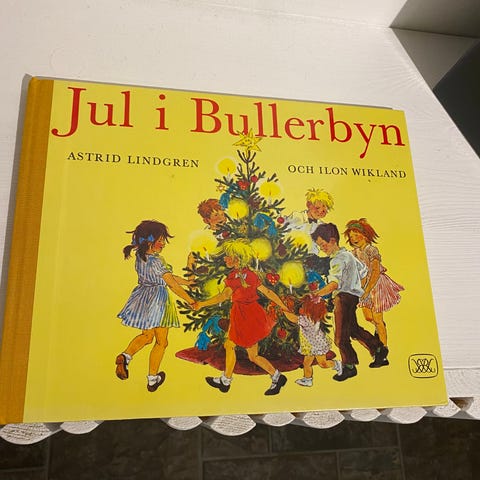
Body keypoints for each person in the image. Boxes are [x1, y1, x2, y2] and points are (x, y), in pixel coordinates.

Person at [193, 238, 290, 395]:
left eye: (228, 256)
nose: (225, 258)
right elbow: (267, 292)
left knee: (237, 349)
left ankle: (228, 380)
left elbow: (224, 296)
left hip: (246, 317)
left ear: (237, 258)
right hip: (247, 314)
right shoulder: (248, 274)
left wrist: (202, 304)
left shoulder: (236, 277)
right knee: (247, 353)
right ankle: (274, 377)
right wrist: (283, 306)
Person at [115, 220, 195, 392]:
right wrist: (191, 300)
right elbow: (171, 284)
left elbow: (169, 277)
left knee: (146, 336)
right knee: (161, 342)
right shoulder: (157, 261)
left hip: (143, 298)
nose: (163, 244)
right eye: (160, 240)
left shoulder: (140, 257)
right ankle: (152, 378)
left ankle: (126, 355)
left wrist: (187, 282)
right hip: (158, 302)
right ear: (149, 241)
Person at [311, 223, 389, 381]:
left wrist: (316, 294)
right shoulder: (348, 255)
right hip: (353, 297)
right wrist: (356, 285)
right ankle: (378, 348)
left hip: (342, 298)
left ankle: (349, 366)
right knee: (353, 329)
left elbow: (334, 284)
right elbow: (363, 271)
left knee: (340, 337)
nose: (322, 248)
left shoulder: (337, 260)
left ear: (332, 240)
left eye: (323, 244)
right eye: (319, 246)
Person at [344, 218, 404, 348]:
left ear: (365, 235)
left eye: (356, 234)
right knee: (368, 317)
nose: (354, 239)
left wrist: (367, 290)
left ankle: (383, 349)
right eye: (351, 236)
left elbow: (375, 272)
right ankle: (379, 326)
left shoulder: (371, 250)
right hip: (364, 286)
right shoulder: (354, 253)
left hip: (376, 285)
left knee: (377, 319)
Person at [284, 295, 342, 387]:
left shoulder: (306, 319)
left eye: (303, 307)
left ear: (310, 310)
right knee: (306, 363)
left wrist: (284, 309)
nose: (300, 308)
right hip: (311, 345)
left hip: (317, 345)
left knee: (323, 364)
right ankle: (307, 379)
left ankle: (337, 364)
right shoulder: (312, 317)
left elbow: (293, 318)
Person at [286, 188, 334, 254]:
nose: (320, 211)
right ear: (308, 205)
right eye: (317, 208)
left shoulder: (322, 226)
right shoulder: (297, 216)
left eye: (324, 211)